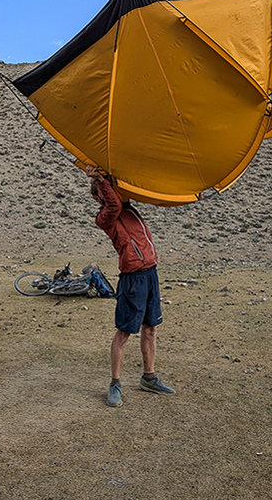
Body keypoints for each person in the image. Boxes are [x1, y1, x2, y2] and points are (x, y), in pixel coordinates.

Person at [85, 164, 175, 407]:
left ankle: (149, 378)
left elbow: (123, 197)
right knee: (125, 332)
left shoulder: (130, 209)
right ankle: (115, 384)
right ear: (98, 197)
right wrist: (99, 179)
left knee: (151, 328)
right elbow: (113, 204)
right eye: (105, 190)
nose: (112, 193)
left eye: (112, 188)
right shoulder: (105, 217)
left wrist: (111, 178)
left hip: (150, 273)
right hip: (132, 278)